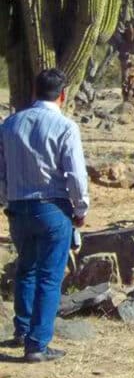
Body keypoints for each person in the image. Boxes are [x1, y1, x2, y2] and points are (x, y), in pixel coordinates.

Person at [0, 69, 89, 362]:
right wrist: (80, 208)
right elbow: (75, 174)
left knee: (26, 268)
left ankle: (23, 330)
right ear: (62, 94)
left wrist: (7, 198)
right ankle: (37, 344)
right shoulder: (65, 127)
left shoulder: (10, 124)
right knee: (50, 277)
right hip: (52, 207)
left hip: (18, 206)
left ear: (34, 91)